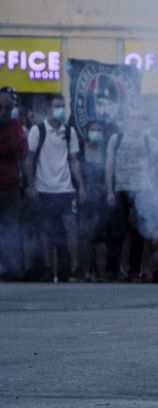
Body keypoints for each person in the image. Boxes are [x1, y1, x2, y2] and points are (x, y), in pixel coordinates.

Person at [105, 102, 158, 281]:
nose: (135, 122)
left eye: (139, 119)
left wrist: (155, 168)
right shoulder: (116, 138)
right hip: (121, 188)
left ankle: (134, 271)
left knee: (138, 233)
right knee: (117, 232)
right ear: (126, 121)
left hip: (141, 190)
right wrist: (109, 190)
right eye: (132, 118)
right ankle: (113, 270)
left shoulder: (147, 139)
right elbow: (109, 165)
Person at [24, 94, 86, 281]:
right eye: (56, 106)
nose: (60, 109)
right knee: (45, 229)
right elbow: (29, 158)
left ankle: (74, 268)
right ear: (49, 108)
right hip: (44, 187)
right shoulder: (38, 130)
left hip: (65, 189)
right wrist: (31, 185)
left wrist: (81, 186)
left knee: (72, 227)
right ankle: (48, 268)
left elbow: (74, 161)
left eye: (62, 106)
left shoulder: (69, 132)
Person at [0, 90, 28, 281]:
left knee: (11, 227)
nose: (4, 112)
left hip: (10, 186)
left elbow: (22, 150)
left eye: (8, 108)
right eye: (1, 108)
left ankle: (11, 268)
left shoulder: (16, 126)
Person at [79, 120, 111, 281]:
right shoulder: (79, 148)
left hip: (101, 198)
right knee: (85, 235)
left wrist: (108, 191)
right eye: (93, 129)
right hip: (84, 197)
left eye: (99, 129)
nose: (96, 132)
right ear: (87, 130)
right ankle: (86, 272)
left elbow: (109, 173)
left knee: (100, 238)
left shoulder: (106, 151)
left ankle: (102, 274)